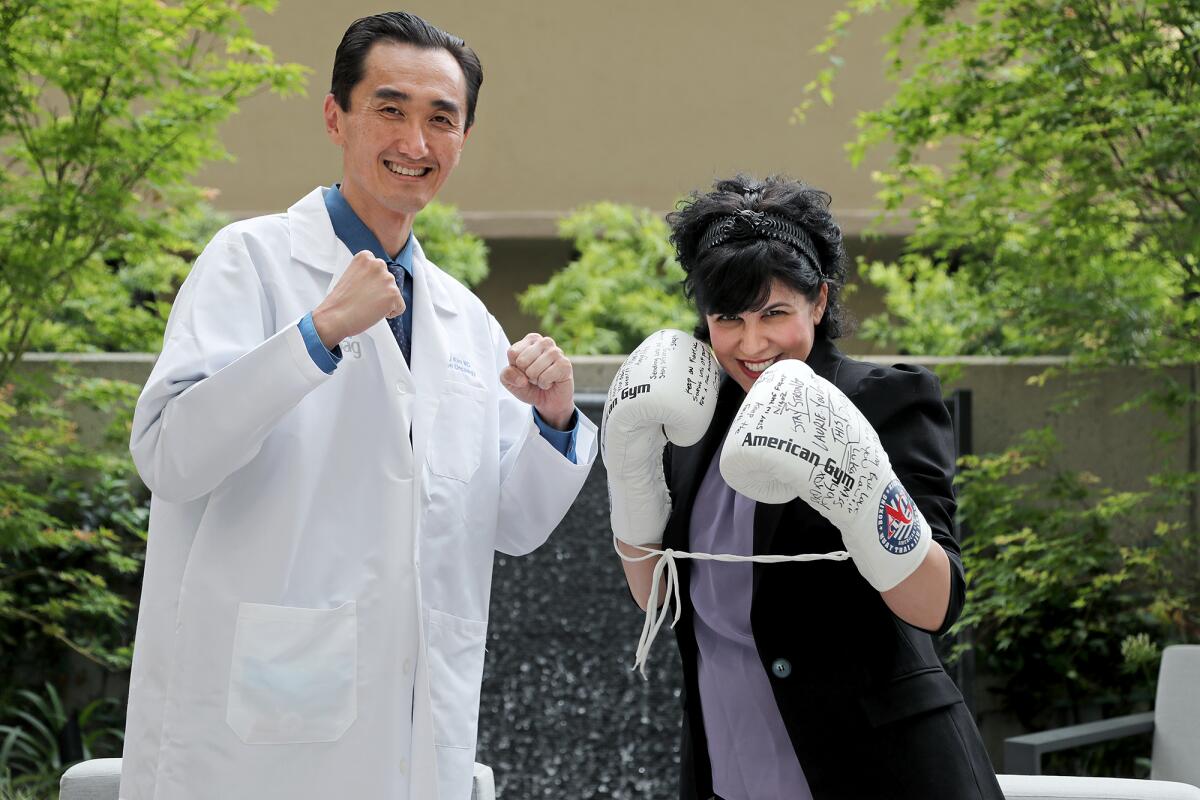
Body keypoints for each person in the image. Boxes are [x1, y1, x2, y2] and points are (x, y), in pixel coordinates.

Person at [120, 12, 595, 800]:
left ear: (463, 138)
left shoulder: (463, 318)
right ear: (336, 116)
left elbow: (509, 524)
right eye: (390, 108)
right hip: (257, 731)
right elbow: (169, 456)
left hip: (411, 727)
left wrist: (552, 422)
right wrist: (316, 334)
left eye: (441, 119)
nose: (416, 140)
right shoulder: (253, 261)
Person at [602, 175, 1002, 799]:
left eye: (775, 313)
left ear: (818, 301)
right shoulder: (691, 415)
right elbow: (660, 598)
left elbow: (937, 606)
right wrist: (629, 475)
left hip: (882, 770)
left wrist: (864, 490)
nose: (752, 343)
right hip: (731, 768)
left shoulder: (886, 398)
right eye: (727, 318)